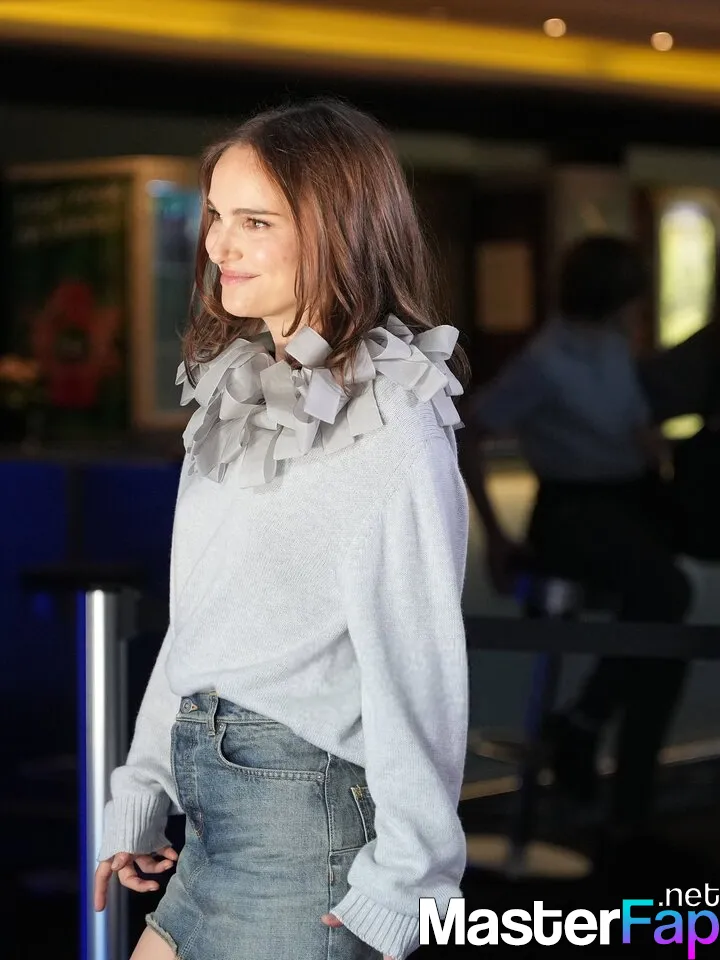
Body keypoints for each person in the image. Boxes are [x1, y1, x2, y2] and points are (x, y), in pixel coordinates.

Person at [93, 99, 471, 960]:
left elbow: (418, 665)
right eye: (217, 215)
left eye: (255, 222)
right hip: (213, 817)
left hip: (307, 833)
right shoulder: (234, 393)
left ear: (339, 231)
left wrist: (409, 883)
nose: (219, 245)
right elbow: (199, 618)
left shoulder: (394, 420)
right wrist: (141, 793)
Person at [460, 235, 691, 840]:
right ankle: (583, 727)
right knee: (668, 597)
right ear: (620, 296)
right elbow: (471, 430)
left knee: (664, 645)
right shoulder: (547, 360)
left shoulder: (610, 347)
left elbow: (625, 424)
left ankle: (627, 798)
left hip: (626, 507)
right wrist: (497, 537)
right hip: (574, 515)